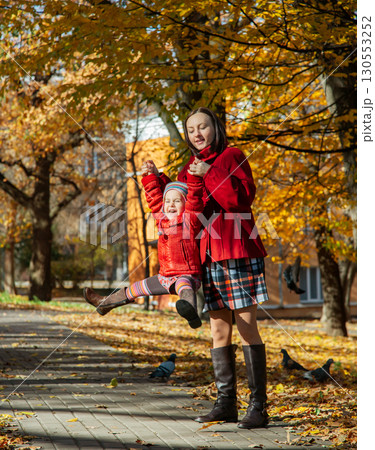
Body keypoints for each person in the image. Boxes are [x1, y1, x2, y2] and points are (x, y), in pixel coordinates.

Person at [146, 107, 269, 429]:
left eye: (203, 127)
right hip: (206, 256)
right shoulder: (191, 165)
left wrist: (207, 174)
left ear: (215, 127)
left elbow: (241, 201)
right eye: (191, 129)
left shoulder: (232, 155)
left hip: (237, 250)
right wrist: (157, 178)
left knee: (246, 326)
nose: (197, 133)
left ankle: (258, 407)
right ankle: (226, 403)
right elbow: (183, 200)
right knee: (217, 330)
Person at [83, 170, 204, 329]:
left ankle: (191, 312)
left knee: (184, 287)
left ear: (186, 203)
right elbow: (154, 200)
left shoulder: (190, 220)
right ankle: (105, 304)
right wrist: (149, 177)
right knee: (135, 288)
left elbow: (195, 199)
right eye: (167, 201)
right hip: (164, 277)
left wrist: (195, 177)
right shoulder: (162, 220)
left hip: (186, 275)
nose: (171, 205)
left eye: (176, 201)